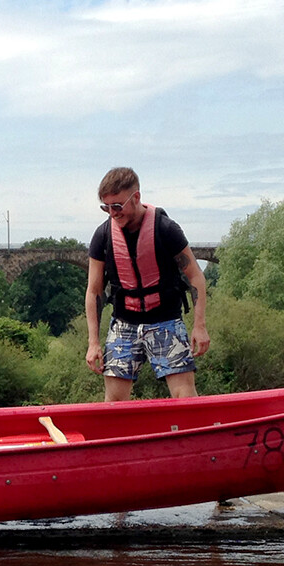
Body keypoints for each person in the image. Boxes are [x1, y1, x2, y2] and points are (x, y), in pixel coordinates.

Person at [84, 167, 211, 401]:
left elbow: (195, 276)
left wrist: (199, 325)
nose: (113, 213)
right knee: (114, 402)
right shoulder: (102, 236)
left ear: (137, 197)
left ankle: (191, 435)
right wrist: (93, 342)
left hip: (166, 319)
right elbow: (94, 292)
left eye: (118, 206)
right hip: (124, 323)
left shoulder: (166, 229)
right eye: (107, 207)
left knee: (185, 396)